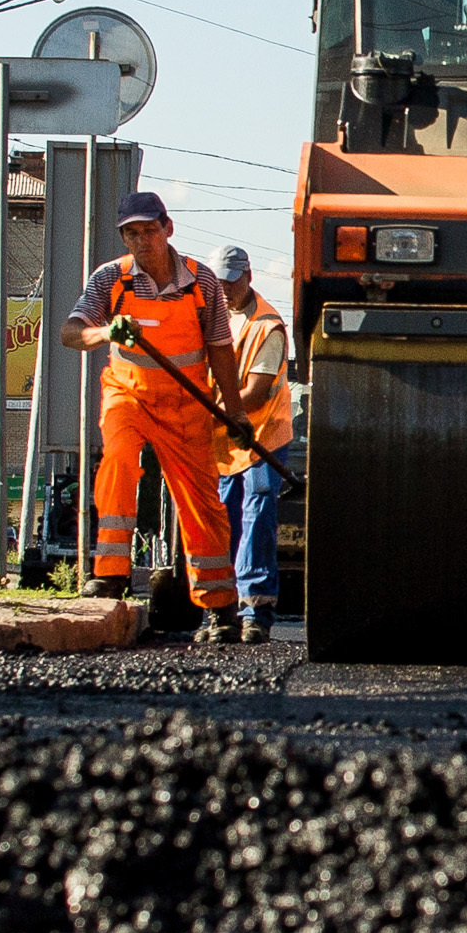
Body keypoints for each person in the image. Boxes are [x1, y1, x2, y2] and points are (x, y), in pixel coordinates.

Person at [58, 192, 237, 640]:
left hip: (186, 406)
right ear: (124, 237)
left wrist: (235, 412)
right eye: (131, 233)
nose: (142, 241)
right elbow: (70, 332)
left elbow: (220, 350)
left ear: (168, 228)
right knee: (118, 464)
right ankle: (110, 575)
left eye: (149, 231)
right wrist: (104, 331)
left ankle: (219, 608)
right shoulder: (110, 280)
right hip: (129, 397)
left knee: (201, 504)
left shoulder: (203, 283)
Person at [214, 245, 294, 644]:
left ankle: (255, 611)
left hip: (262, 434)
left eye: (231, 281)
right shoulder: (212, 320)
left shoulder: (268, 325)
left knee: (257, 513)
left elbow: (258, 392)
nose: (225, 289)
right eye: (219, 283)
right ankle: (221, 610)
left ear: (248, 276)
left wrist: (213, 410)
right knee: (221, 518)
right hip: (227, 438)